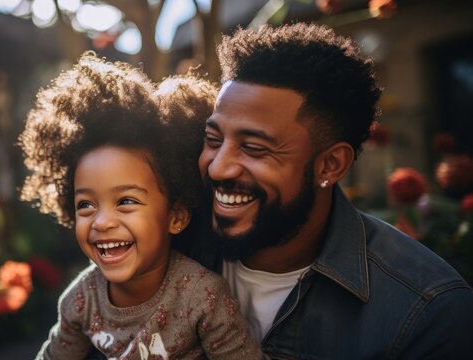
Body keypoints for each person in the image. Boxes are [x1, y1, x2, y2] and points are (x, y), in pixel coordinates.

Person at [187, 23, 473, 358]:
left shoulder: (426, 312)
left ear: (331, 165)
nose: (219, 167)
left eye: (253, 148)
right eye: (214, 140)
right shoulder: (166, 248)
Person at [19, 53, 262, 359]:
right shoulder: (81, 300)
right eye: (86, 205)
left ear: (175, 217)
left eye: (126, 201)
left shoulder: (203, 297)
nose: (102, 221)